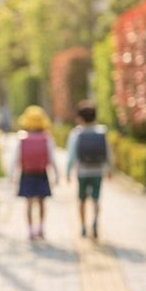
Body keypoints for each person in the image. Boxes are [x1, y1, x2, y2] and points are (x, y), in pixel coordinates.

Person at [64, 100, 113, 239]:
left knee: (82, 200)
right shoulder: (101, 131)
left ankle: (83, 226)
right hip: (98, 170)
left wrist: (68, 172)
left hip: (82, 171)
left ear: (80, 118)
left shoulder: (76, 133)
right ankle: (95, 223)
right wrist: (109, 169)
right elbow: (108, 152)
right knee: (96, 199)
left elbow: (71, 155)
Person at [10, 105, 59, 240]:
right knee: (42, 202)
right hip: (42, 173)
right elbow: (52, 158)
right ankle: (41, 228)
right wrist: (57, 176)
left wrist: (11, 177)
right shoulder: (47, 138)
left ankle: (31, 230)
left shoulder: (21, 138)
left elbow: (15, 160)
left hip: (26, 173)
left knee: (29, 203)